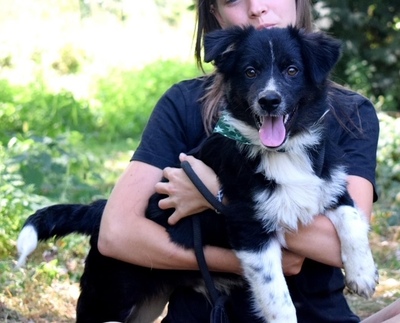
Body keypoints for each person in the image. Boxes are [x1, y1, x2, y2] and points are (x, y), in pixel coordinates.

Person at [97, 0, 387, 321]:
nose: (256, 8)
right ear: (214, 13)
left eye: (290, 71)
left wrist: (217, 196)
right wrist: (240, 242)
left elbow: (336, 248)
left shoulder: (352, 113)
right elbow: (115, 233)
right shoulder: (182, 104)